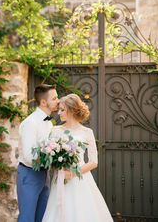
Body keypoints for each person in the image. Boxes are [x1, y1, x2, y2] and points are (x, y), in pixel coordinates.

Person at [42, 94, 113, 222]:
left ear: (72, 110)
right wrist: (57, 166)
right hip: (61, 178)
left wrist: (72, 173)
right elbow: (49, 155)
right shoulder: (55, 130)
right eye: (59, 109)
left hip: (81, 180)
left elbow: (93, 162)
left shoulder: (87, 132)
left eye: (62, 110)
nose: (59, 113)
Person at [17, 84, 59, 222]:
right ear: (43, 102)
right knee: (27, 217)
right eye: (54, 98)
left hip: (44, 174)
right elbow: (29, 157)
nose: (58, 101)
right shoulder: (30, 123)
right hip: (29, 174)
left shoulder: (49, 123)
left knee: (43, 216)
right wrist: (51, 160)